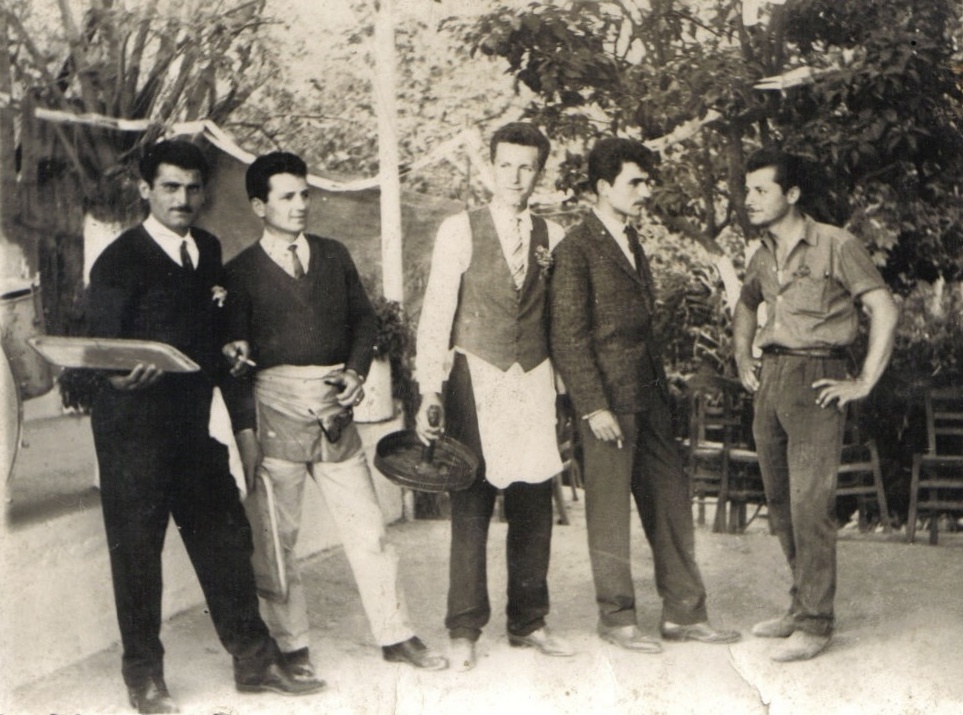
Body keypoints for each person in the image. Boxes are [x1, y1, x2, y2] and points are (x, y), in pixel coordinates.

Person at [86, 140, 324, 714]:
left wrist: (231, 351)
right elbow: (95, 358)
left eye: (193, 188)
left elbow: (211, 337)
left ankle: (255, 661)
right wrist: (120, 378)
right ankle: (144, 680)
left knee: (225, 544)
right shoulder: (118, 261)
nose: (183, 199)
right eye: (170, 187)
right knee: (137, 561)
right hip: (131, 438)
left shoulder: (208, 249)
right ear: (145, 190)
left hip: (192, 435)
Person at [221, 151, 447, 680]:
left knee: (368, 529)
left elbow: (364, 322)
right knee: (275, 540)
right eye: (287, 197)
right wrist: (245, 431)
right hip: (274, 410)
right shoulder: (239, 273)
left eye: (305, 194)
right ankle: (290, 645)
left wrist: (355, 372)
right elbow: (233, 363)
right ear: (259, 206)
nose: (301, 205)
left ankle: (396, 633)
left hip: (335, 411)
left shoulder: (333, 255)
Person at [549, 137, 740, 654]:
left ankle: (684, 614)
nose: (645, 191)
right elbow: (568, 336)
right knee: (609, 514)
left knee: (671, 501)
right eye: (635, 182)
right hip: (607, 404)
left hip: (650, 397)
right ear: (602, 186)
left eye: (647, 181)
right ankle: (616, 620)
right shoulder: (575, 249)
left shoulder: (630, 239)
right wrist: (593, 406)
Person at [415, 122, 574, 671]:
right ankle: (463, 629)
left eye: (526, 167)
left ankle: (529, 621)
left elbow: (560, 320)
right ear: (491, 168)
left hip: (532, 380)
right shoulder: (459, 230)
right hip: (475, 377)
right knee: (471, 501)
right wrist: (430, 388)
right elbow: (437, 313)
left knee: (533, 502)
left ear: (539, 172)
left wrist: (563, 388)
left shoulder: (554, 235)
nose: (515, 176)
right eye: (505, 165)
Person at [733, 148, 898, 662]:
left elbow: (883, 307)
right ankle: (800, 605)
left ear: (792, 194)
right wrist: (742, 356)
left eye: (761, 190)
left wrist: (863, 380)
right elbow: (746, 304)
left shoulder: (836, 244)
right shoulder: (761, 253)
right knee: (781, 504)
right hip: (772, 378)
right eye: (748, 190)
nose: (749, 199)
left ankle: (815, 623)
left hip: (817, 378)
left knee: (810, 506)